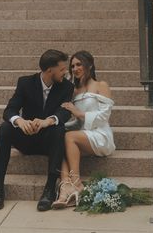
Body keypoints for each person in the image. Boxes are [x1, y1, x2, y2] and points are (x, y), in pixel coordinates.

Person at [0, 49, 74, 211]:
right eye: (62, 69)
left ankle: (50, 189)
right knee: (6, 127)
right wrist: (20, 121)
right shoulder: (25, 83)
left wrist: (47, 121)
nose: (66, 72)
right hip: (26, 139)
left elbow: (65, 112)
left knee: (59, 128)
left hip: (48, 141)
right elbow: (9, 110)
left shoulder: (66, 87)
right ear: (50, 70)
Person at [51, 50, 116, 209]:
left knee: (69, 138)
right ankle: (65, 189)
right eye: (72, 66)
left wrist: (78, 112)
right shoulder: (74, 91)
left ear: (90, 65)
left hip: (100, 135)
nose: (75, 69)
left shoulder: (101, 85)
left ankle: (77, 183)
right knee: (59, 136)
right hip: (83, 135)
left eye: (79, 64)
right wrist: (59, 126)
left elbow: (104, 116)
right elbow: (77, 124)